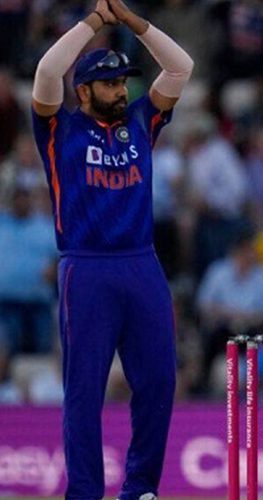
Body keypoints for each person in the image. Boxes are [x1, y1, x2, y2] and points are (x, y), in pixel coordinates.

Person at [29, 0, 194, 498]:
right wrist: (95, 20)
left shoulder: (142, 120)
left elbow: (180, 67)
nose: (121, 91)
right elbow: (47, 72)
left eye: (123, 82)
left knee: (159, 383)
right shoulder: (58, 128)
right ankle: (84, 492)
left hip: (142, 263)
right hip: (86, 268)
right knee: (84, 390)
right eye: (109, 83)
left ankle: (140, 487)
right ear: (83, 90)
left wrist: (132, 21)